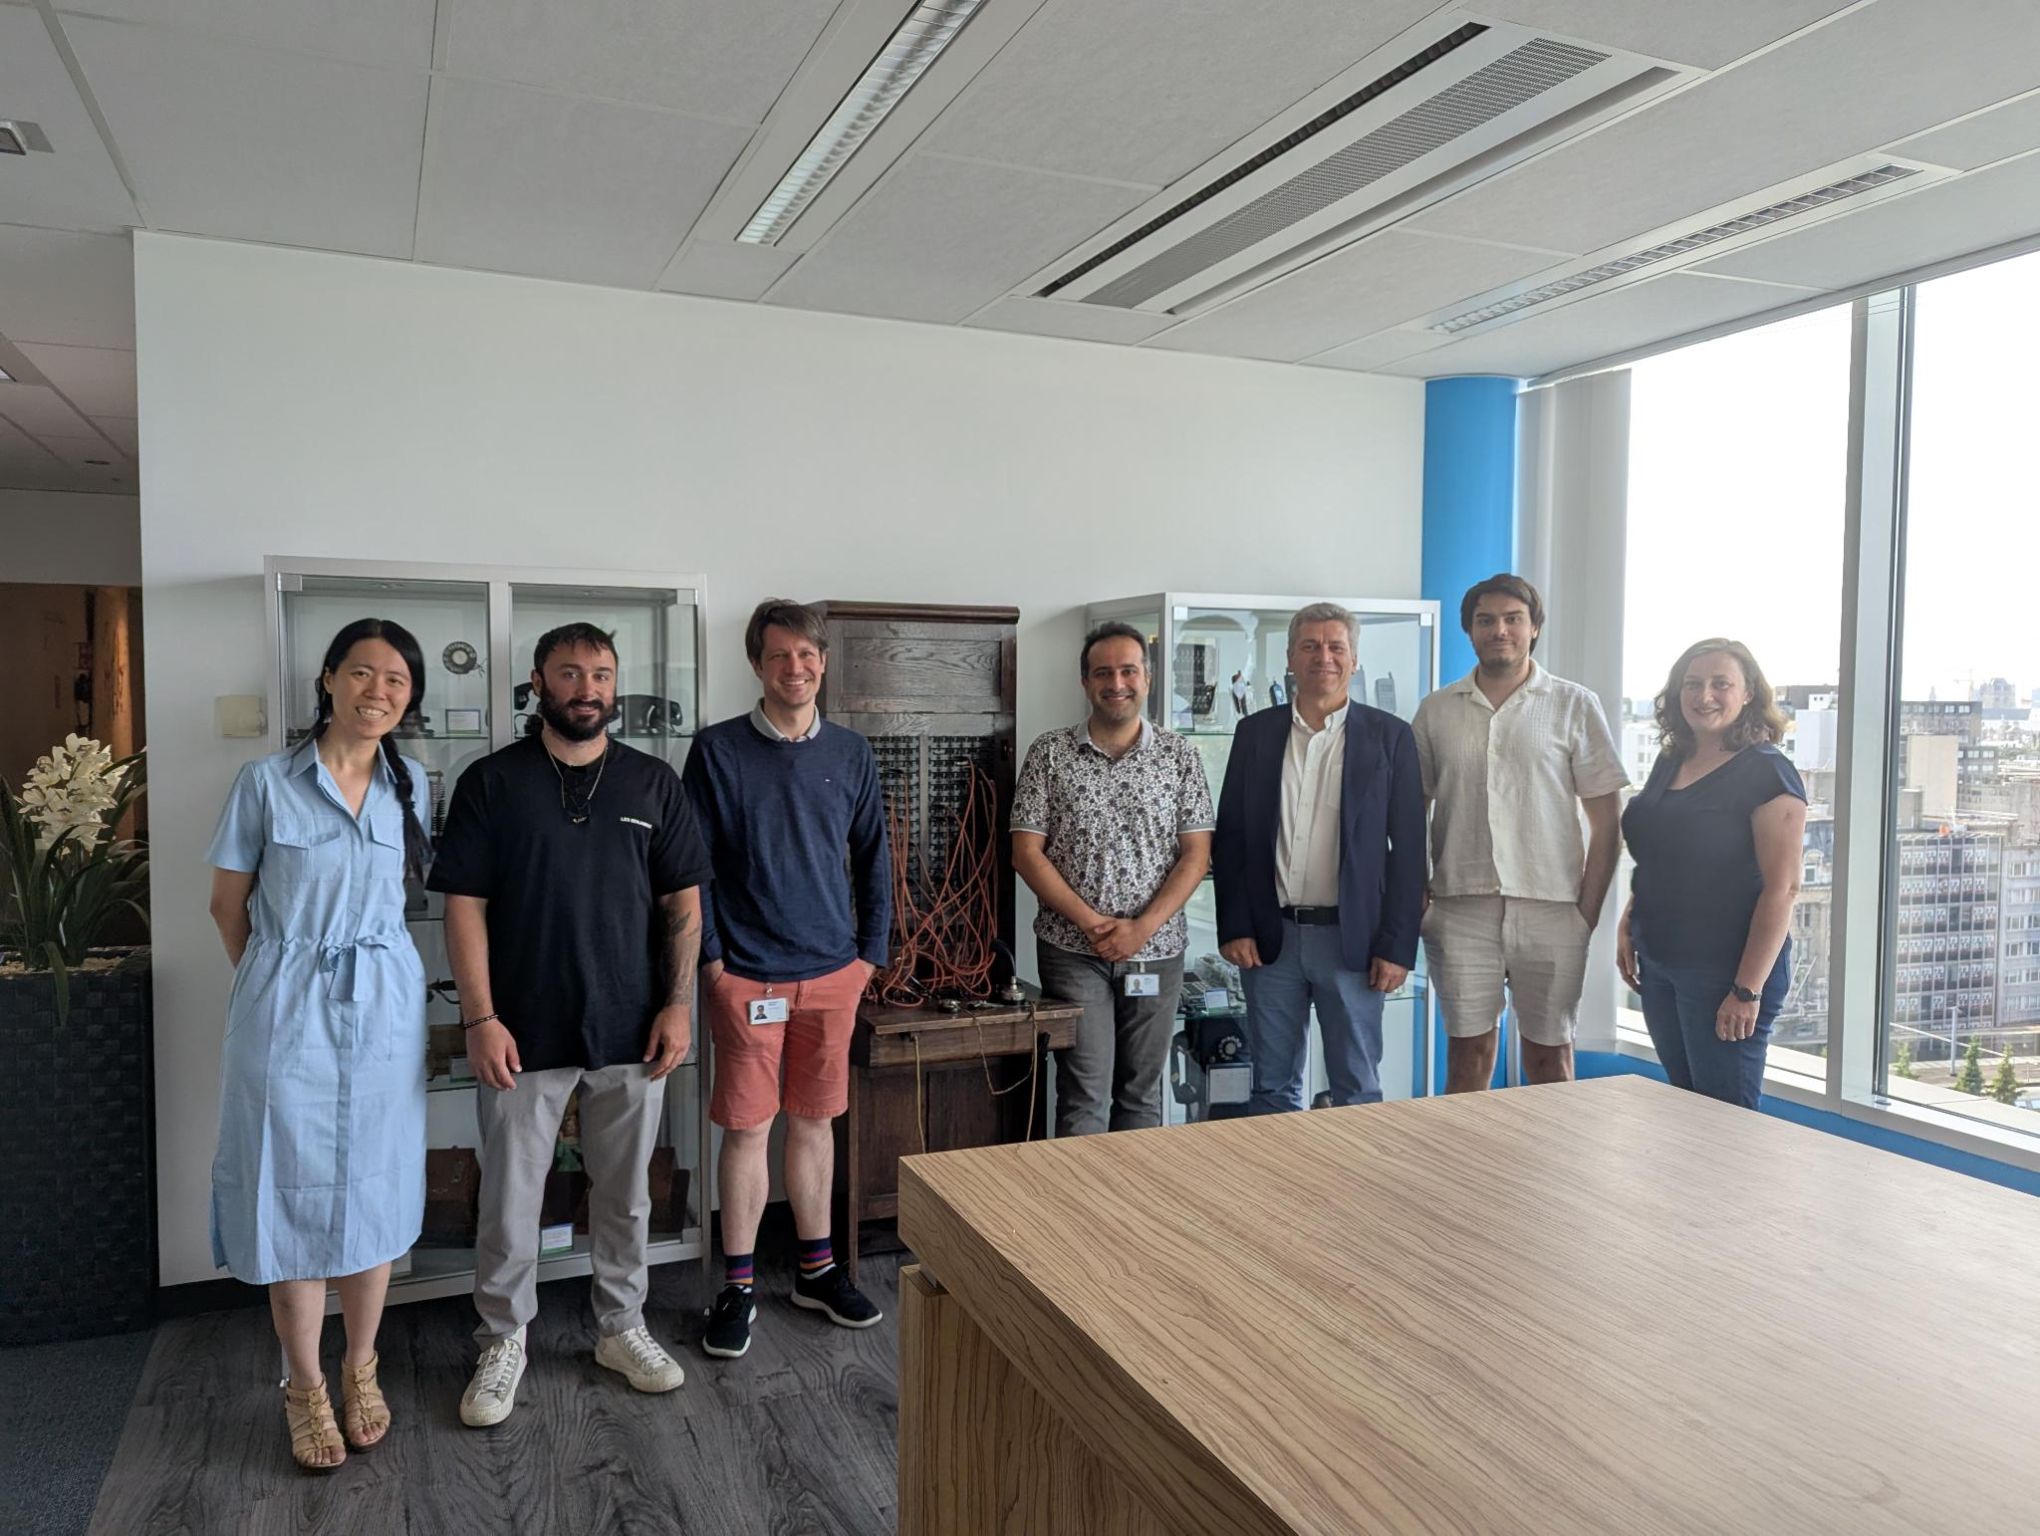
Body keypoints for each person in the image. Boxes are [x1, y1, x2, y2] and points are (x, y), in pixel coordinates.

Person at [429, 622, 710, 1426]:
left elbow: (683, 903)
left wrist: (679, 1004)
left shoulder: (654, 782)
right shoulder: (492, 781)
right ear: (538, 682)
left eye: (601, 674)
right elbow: (464, 907)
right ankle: (502, 1340)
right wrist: (480, 1017)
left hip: (633, 1027)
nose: (587, 689)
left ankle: (621, 1327)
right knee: (510, 1200)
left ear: (616, 685)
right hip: (521, 1030)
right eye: (570, 673)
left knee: (626, 1196)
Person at [207, 618, 433, 1471]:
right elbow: (227, 906)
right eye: (363, 673)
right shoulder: (265, 782)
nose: (379, 691)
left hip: (383, 1012)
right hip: (286, 1008)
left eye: (397, 681)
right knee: (287, 1191)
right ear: (330, 679)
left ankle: (360, 1366)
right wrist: (280, 983)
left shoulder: (412, 783)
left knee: (373, 1188)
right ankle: (304, 1386)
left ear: (409, 699)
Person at [683, 599, 891, 1361]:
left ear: (823, 663)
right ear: (757, 664)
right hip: (746, 976)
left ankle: (816, 1271)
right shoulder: (716, 751)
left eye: (806, 655)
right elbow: (692, 866)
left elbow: (874, 857)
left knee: (814, 1121)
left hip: (833, 973)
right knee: (746, 1129)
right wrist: (712, 961)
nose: (794, 669)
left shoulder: (851, 752)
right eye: (779, 656)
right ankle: (737, 1286)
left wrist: (868, 957)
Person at [1414, 575, 1627, 1091]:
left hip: (1553, 908)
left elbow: (1607, 823)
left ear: (1534, 628)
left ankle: (1551, 1151)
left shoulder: (1574, 704)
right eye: (1485, 620)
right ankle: (1466, 1150)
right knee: (1467, 1057)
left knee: (1551, 1060)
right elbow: (1409, 813)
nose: (1499, 630)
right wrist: (1421, 902)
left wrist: (1586, 912)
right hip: (1460, 908)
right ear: (1469, 630)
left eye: (1513, 619)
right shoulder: (1437, 710)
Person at [1213, 602, 1424, 1113]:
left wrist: (1398, 948)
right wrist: (1234, 927)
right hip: (1270, 942)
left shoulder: (1390, 736)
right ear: (1290, 657)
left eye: (1335, 647)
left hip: (1354, 944)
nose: (1323, 657)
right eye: (1310, 646)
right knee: (1271, 1088)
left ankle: (1354, 1172)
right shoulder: (1255, 733)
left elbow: (1410, 853)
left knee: (1357, 1088)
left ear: (1354, 659)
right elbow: (1232, 839)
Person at [1012, 621, 1214, 1137]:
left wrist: (1141, 928)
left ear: (1147, 678)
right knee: (1084, 1093)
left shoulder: (1180, 755)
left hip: (1157, 950)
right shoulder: (1050, 753)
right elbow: (1026, 854)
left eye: (1128, 671)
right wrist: (1093, 924)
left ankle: (1134, 1193)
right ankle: (1082, 1194)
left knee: (1141, 1094)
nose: (1116, 683)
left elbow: (1196, 856)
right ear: (1085, 682)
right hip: (1073, 952)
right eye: (1103, 673)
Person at [1619, 639, 1806, 1109]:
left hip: (1725, 972)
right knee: (1687, 1113)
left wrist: (1746, 990)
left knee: (1726, 1124)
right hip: (1661, 962)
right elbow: (1659, 854)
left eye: (1721, 684)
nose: (1704, 696)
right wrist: (1629, 921)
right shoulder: (1671, 760)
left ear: (1748, 693)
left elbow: (1783, 890)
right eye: (1693, 684)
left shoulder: (1768, 772)